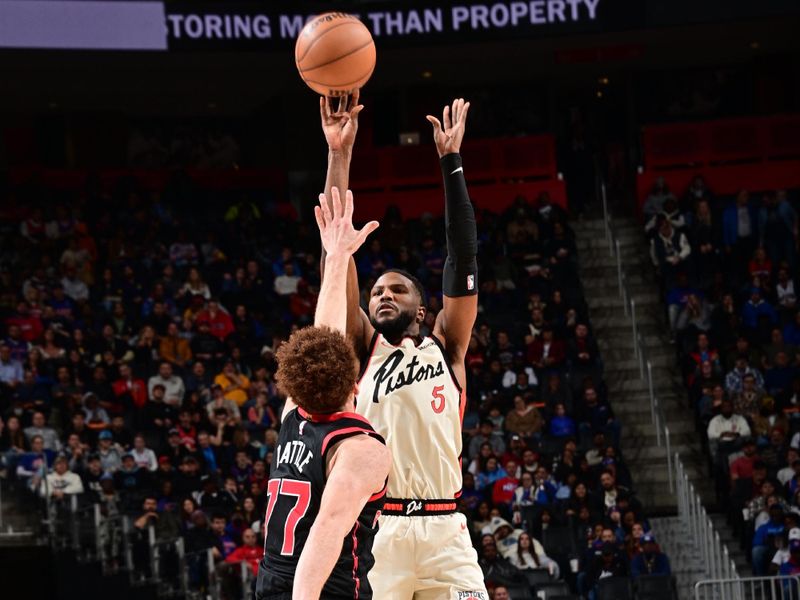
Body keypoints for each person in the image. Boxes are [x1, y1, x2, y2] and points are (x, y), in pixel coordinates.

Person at [321, 95, 487, 598]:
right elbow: (334, 250)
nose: (382, 294)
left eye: (397, 289)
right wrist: (339, 154)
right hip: (381, 533)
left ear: (422, 309)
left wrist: (451, 162)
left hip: (446, 531)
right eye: (376, 291)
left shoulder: (447, 347)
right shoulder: (362, 348)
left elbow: (463, 255)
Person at [255, 183, 391, 600]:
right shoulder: (361, 449)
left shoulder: (293, 414)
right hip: (319, 591)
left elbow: (324, 333)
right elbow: (327, 532)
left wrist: (336, 257)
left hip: (271, 578)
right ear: (355, 383)